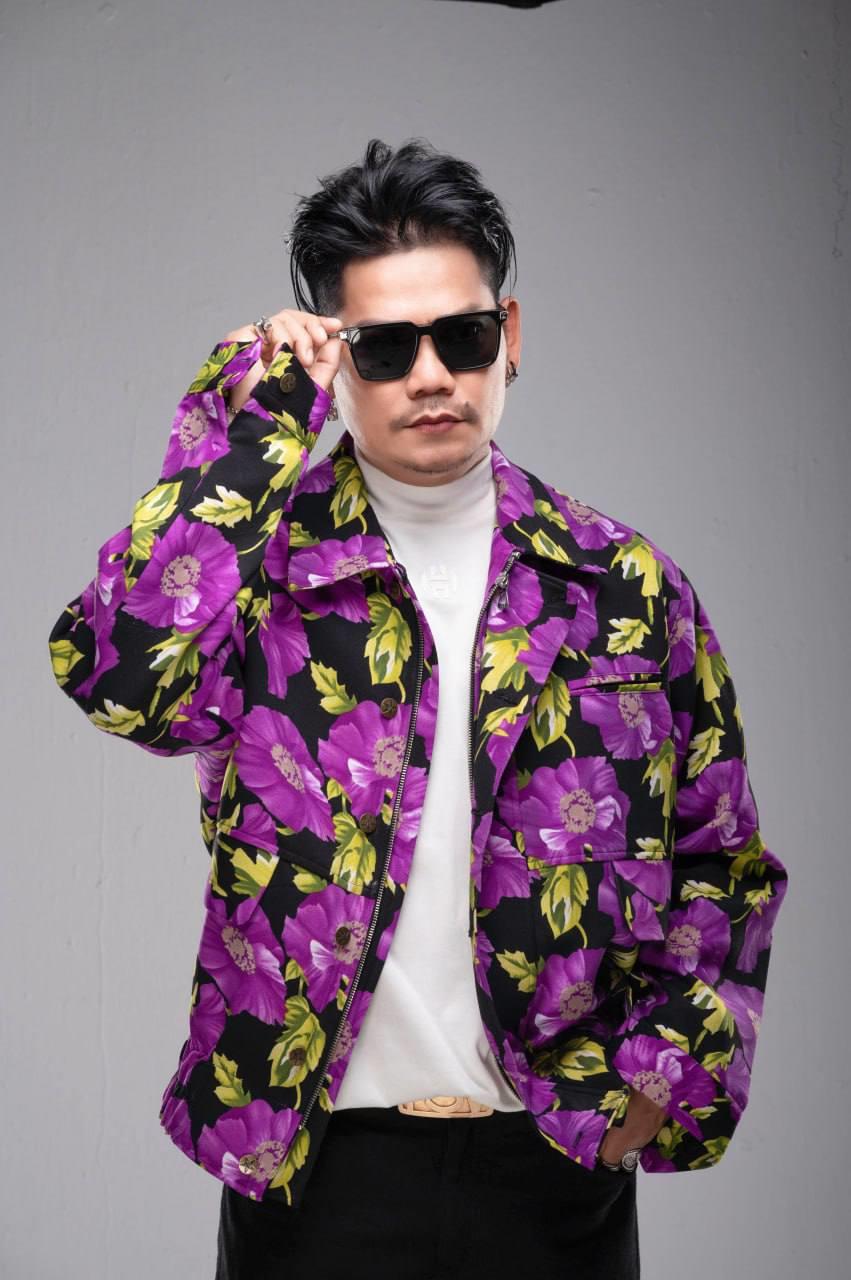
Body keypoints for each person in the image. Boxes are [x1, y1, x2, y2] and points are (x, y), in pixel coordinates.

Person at [47, 136, 787, 1280]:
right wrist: (249, 425)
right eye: (386, 347)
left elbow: (721, 857)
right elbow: (117, 676)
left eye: (463, 337)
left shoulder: (621, 585)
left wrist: (654, 1085)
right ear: (337, 360)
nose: (432, 375)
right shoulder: (261, 574)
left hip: (557, 1169)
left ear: (510, 335)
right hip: (315, 1176)